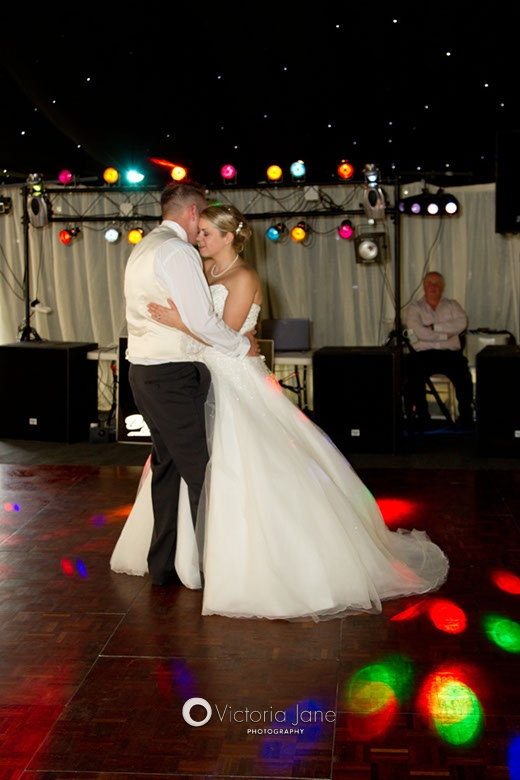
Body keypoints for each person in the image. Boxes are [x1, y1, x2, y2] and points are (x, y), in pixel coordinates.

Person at [111, 204, 449, 621]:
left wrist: (180, 323)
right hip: (202, 377)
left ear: (229, 237)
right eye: (199, 233)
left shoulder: (244, 276)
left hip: (234, 377)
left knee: (237, 468)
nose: (198, 239)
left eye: (207, 234)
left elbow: (224, 334)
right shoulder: (202, 269)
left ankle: (241, 560)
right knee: (190, 464)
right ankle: (183, 555)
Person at [120, 182, 259, 588]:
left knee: (166, 469)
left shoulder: (145, 246)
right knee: (202, 473)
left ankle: (164, 564)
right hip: (170, 374)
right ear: (194, 212)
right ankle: (217, 567)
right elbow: (201, 321)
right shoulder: (178, 251)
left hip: (143, 371)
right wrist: (241, 346)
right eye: (202, 221)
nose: (201, 233)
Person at [403, 271, 474, 428]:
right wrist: (445, 335)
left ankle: (466, 417)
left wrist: (434, 327)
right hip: (423, 355)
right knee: (412, 373)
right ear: (424, 286)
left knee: (464, 375)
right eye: (430, 283)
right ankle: (422, 417)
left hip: (450, 355)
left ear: (442, 287)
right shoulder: (415, 308)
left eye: (437, 283)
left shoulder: (452, 305)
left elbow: (461, 323)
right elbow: (417, 331)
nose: (433, 287)